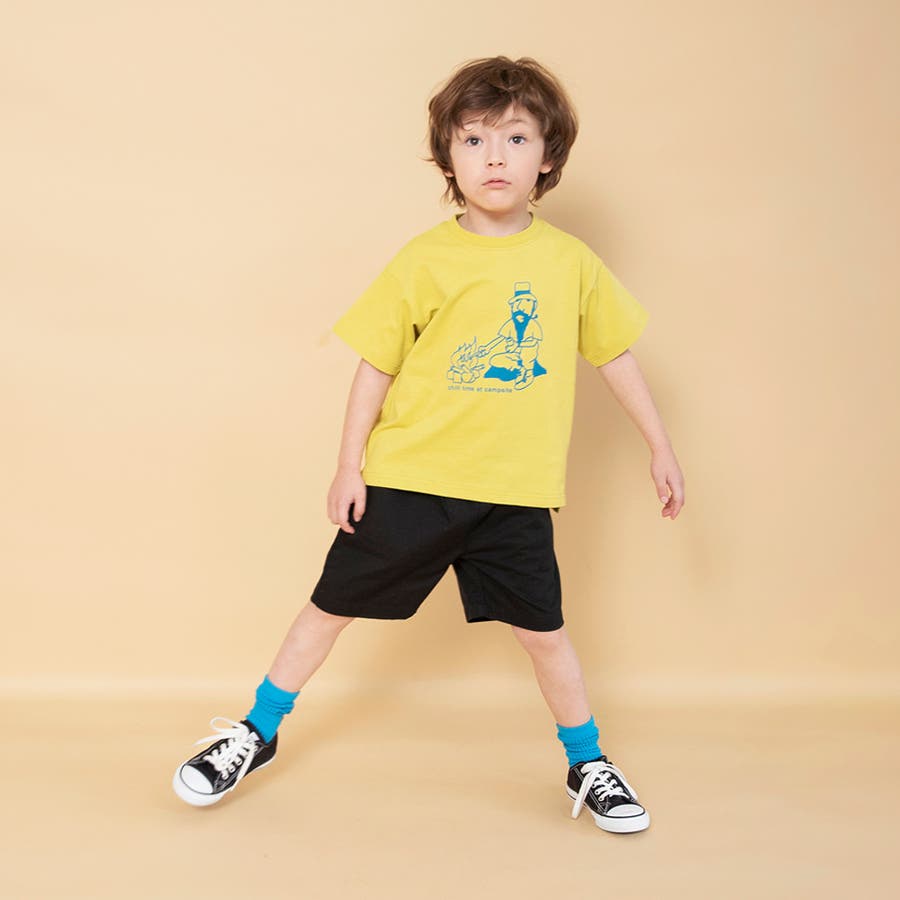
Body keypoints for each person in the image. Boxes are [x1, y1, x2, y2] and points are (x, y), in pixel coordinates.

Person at [172, 55, 684, 835]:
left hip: (513, 492)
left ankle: (587, 761)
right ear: (449, 158)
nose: (495, 158)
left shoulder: (569, 262)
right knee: (328, 609)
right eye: (474, 140)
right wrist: (349, 466)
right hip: (411, 480)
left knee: (545, 636)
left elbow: (614, 353)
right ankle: (256, 731)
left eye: (515, 139)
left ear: (548, 157)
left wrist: (660, 447)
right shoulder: (424, 258)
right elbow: (375, 364)